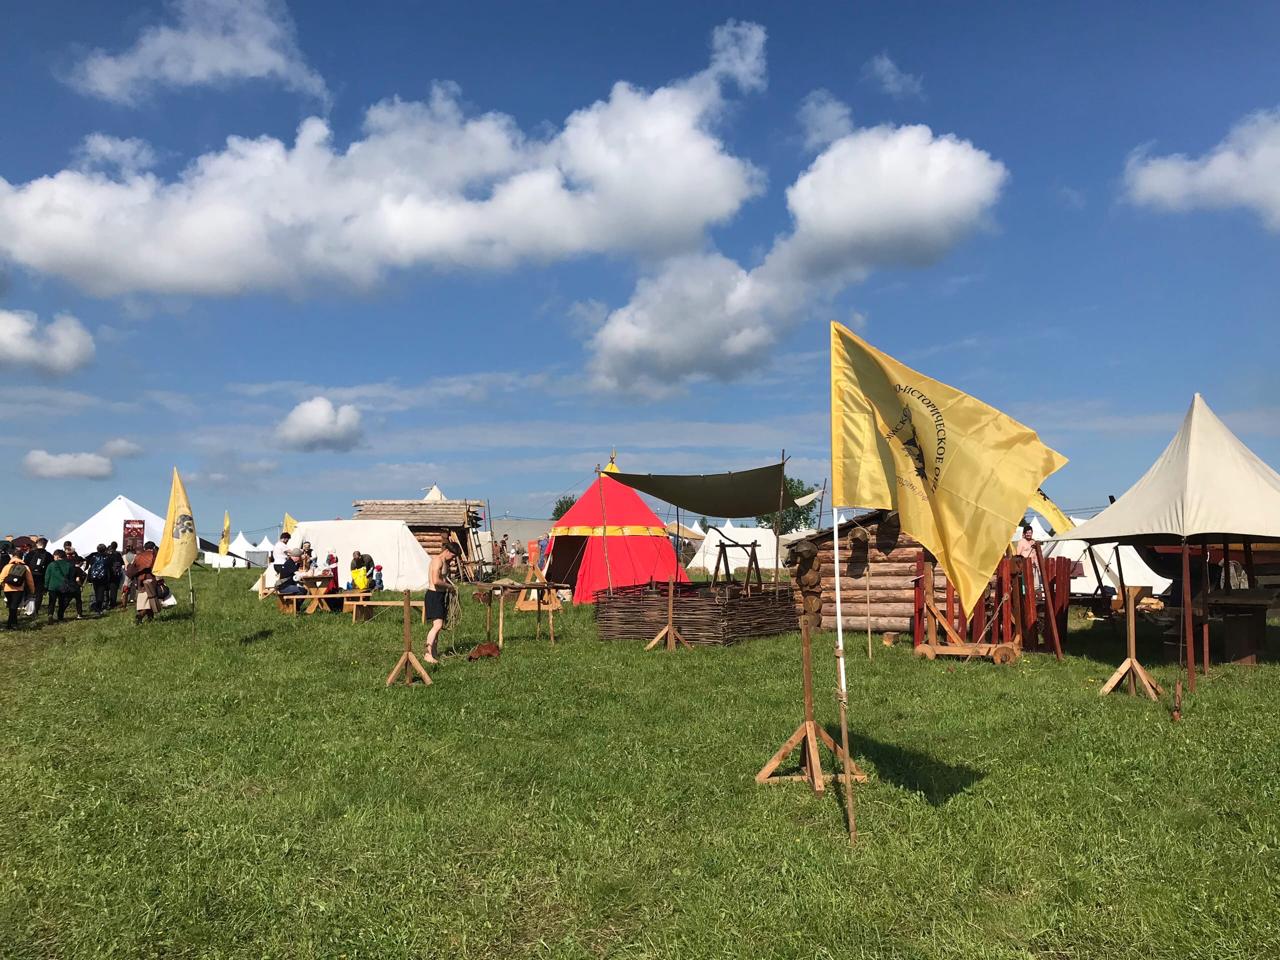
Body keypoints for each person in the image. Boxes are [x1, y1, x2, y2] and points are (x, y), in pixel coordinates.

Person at [423, 541, 457, 665]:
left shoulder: (445, 562)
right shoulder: (437, 561)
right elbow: (436, 581)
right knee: (437, 625)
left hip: (440, 595)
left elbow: (443, 578)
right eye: (453, 556)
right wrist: (449, 586)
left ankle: (434, 652)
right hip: (434, 595)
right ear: (447, 551)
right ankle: (427, 653)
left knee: (438, 626)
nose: (453, 559)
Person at [128, 541, 160, 624]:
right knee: (151, 599)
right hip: (151, 579)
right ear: (153, 547)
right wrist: (160, 580)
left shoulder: (138, 556)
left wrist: (133, 578)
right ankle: (141, 615)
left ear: (145, 548)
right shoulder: (155, 555)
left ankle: (150, 619)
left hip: (140, 581)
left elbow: (131, 570)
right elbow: (157, 568)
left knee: (143, 600)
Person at [1, 550, 34, 630]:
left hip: (7, 589)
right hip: (19, 589)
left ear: (12, 556)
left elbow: (1, 578)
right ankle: (11, 624)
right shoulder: (25, 567)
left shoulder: (7, 566)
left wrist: (3, 586)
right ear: (22, 557)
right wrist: (32, 590)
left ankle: (12, 623)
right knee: (14, 606)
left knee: (11, 606)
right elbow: (30, 581)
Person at [44, 550, 76, 622]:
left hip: (52, 586)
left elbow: (47, 576)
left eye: (54, 556)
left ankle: (50, 614)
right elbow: (72, 577)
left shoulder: (51, 564)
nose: (53, 557)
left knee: (52, 602)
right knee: (62, 602)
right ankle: (60, 616)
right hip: (64, 586)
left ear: (57, 556)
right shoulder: (69, 565)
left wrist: (46, 586)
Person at [25, 537, 51, 617]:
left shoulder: (30, 554)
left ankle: (28, 610)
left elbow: (25, 564)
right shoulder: (48, 555)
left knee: (29, 592)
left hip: (30, 575)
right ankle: (36, 610)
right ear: (45, 545)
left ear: (37, 544)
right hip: (41, 576)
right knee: (39, 594)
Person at [86, 543, 112, 614]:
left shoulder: (93, 557)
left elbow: (90, 565)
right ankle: (99, 608)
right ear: (105, 549)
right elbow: (110, 567)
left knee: (96, 591)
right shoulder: (107, 557)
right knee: (101, 592)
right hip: (103, 578)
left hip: (94, 577)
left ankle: (96, 606)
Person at [106, 541, 124, 610]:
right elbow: (122, 563)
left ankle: (106, 601)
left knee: (106, 589)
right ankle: (113, 603)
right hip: (115, 574)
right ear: (116, 547)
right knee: (114, 589)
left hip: (107, 573)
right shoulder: (118, 554)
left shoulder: (107, 554)